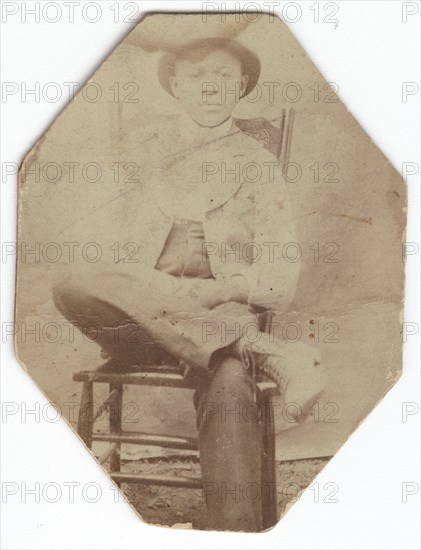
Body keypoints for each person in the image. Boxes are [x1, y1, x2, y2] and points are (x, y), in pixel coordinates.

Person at [53, 37, 326, 532]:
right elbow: (99, 250)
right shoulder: (137, 151)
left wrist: (226, 290)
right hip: (135, 324)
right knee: (73, 279)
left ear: (241, 87)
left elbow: (281, 273)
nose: (210, 88)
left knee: (229, 377)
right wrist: (153, 287)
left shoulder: (257, 163)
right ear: (175, 86)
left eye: (223, 77)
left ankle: (236, 535)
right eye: (197, 76)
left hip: (219, 315)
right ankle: (258, 348)